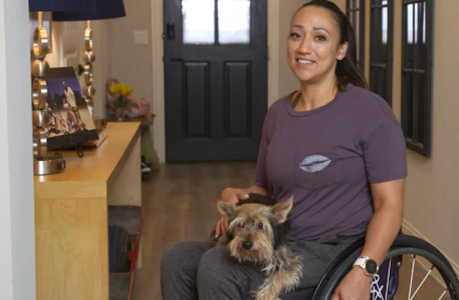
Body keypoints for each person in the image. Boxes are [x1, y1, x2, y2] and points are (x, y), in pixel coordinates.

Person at [160, 1, 407, 299]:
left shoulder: (370, 112)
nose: (304, 47)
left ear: (341, 50)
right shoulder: (278, 112)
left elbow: (389, 207)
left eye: (319, 37)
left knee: (217, 265)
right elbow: (265, 188)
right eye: (296, 35)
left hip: (337, 249)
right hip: (280, 238)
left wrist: (364, 270)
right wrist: (236, 195)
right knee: (177, 258)